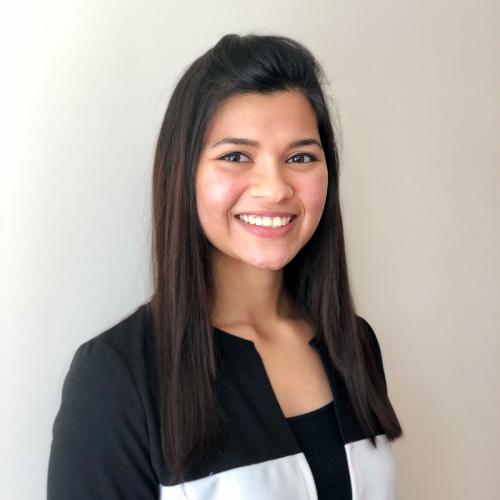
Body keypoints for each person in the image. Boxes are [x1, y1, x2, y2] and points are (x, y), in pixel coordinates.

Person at [47, 33, 404, 499]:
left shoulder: (354, 343)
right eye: (236, 156)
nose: (274, 188)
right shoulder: (117, 377)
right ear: (185, 172)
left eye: (300, 157)